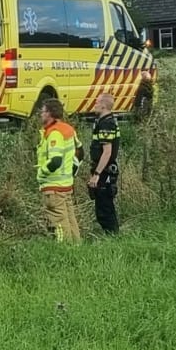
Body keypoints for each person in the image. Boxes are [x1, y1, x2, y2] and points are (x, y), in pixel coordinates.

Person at [36, 96, 83, 243]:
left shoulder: (54, 133)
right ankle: (76, 248)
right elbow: (80, 153)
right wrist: (72, 172)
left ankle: (65, 251)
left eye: (42, 112)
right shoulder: (68, 129)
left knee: (58, 224)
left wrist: (41, 173)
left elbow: (55, 161)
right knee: (69, 219)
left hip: (53, 187)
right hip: (66, 185)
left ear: (49, 113)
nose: (40, 114)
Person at [88, 92, 122, 235]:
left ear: (103, 105)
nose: (94, 105)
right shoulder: (108, 121)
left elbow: (106, 152)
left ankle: (113, 237)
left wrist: (97, 174)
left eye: (96, 102)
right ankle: (112, 236)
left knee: (104, 208)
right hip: (105, 170)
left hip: (105, 171)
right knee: (104, 205)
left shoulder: (106, 123)